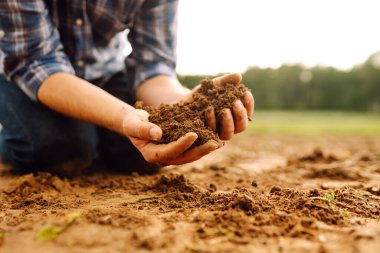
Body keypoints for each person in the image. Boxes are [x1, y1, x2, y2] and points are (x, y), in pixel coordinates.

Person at [0, 0, 254, 176]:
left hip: (103, 71)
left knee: (141, 154)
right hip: (25, 73)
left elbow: (152, 65)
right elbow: (37, 61)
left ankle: (91, 137)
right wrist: (123, 117)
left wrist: (185, 103)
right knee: (60, 149)